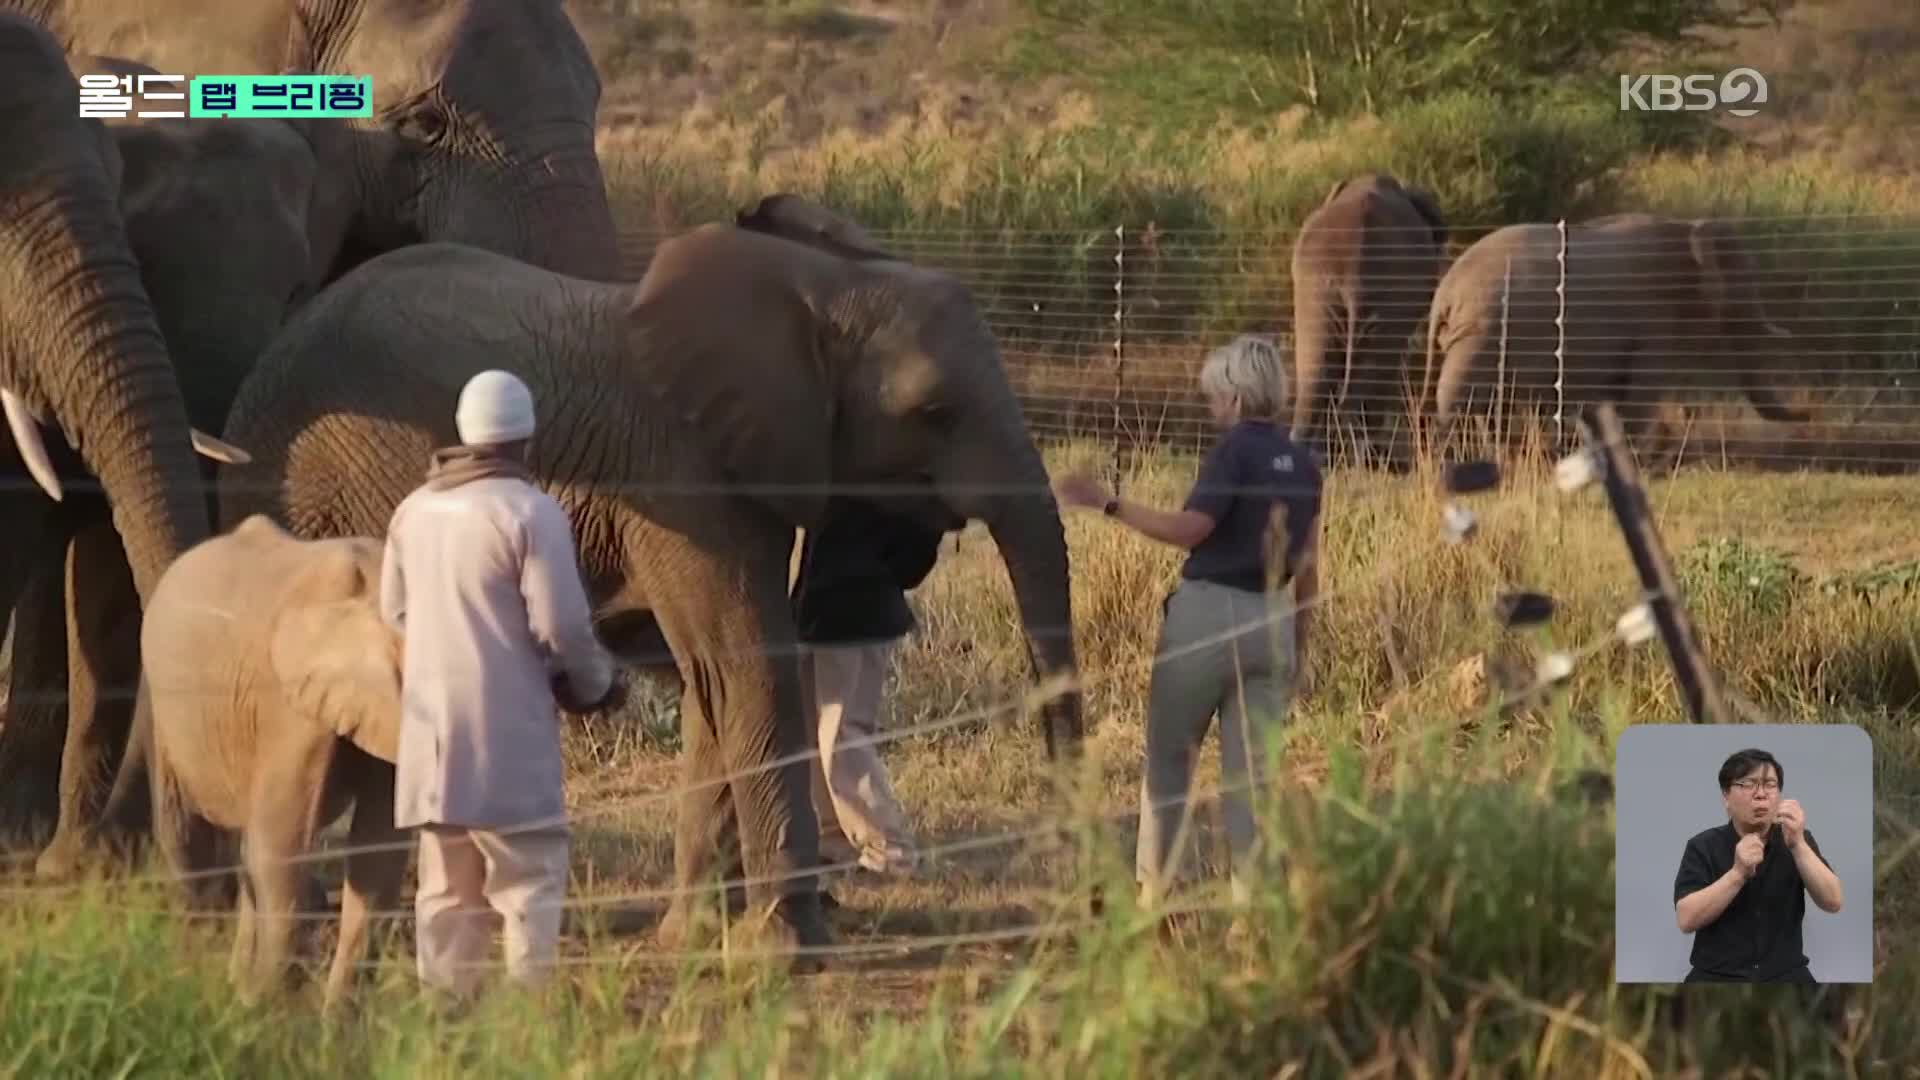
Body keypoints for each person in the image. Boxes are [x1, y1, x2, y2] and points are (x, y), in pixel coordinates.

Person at [1052, 333, 1323, 908]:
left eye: (1213, 396)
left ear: (1232, 395)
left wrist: (1108, 504)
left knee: (1171, 760)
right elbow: (1308, 568)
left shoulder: (1233, 453)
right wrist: (1299, 647)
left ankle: (1155, 897)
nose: (1211, 407)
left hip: (1208, 613)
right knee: (1252, 779)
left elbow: (1191, 530)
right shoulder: (1304, 464)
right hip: (1272, 622)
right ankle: (1254, 914)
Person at [379, 369, 622, 1000]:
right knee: (529, 884)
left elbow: (395, 613)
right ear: (526, 441)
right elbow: (563, 626)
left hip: (432, 744)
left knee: (444, 896)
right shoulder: (532, 512)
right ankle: (523, 1026)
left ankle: (446, 1030)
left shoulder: (412, 511)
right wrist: (595, 685)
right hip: (510, 745)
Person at [790, 496, 947, 876]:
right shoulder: (848, 460)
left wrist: (874, 576)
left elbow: (920, 545)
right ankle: (835, 840)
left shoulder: (897, 473)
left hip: (857, 613)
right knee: (811, 729)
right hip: (821, 610)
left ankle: (889, 850)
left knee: (841, 732)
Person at [1672, 748, 1845, 983]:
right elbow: (1686, 919)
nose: (1761, 794)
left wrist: (1798, 845)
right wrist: (1737, 874)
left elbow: (1834, 901)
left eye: (1770, 785)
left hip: (1786, 975)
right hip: (1716, 976)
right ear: (1726, 796)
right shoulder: (1703, 846)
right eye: (1748, 784)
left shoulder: (1797, 839)